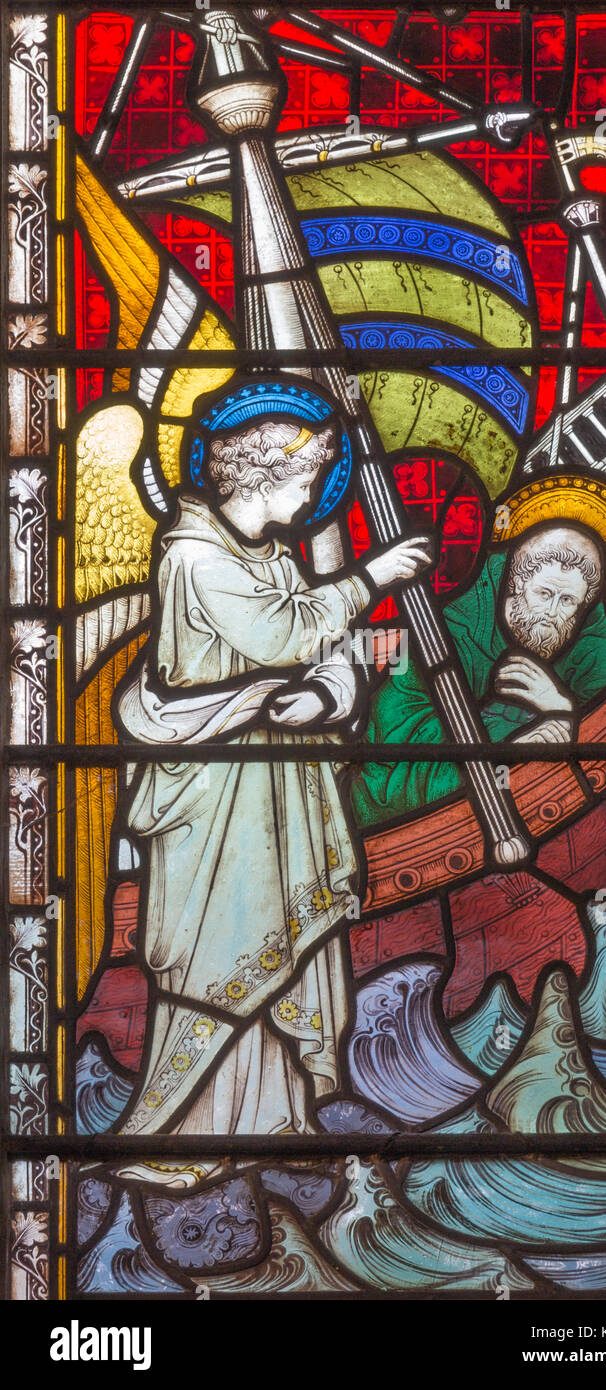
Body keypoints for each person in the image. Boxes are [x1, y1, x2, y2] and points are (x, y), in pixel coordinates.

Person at [111, 410, 431, 1184]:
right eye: (306, 476)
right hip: (214, 791)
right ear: (261, 476)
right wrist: (372, 577)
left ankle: (270, 1119)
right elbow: (285, 635)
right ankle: (179, 1133)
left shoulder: (274, 558)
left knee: (281, 939)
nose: (315, 491)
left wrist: (322, 700)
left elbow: (321, 654)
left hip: (281, 782)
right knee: (214, 949)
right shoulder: (193, 558)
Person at [352, 523, 606, 825]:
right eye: (544, 593)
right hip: (425, 818)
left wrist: (561, 708)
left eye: (567, 601)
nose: (552, 611)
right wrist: (510, 748)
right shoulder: (448, 625)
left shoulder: (593, 641)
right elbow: (396, 736)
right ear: (518, 583)